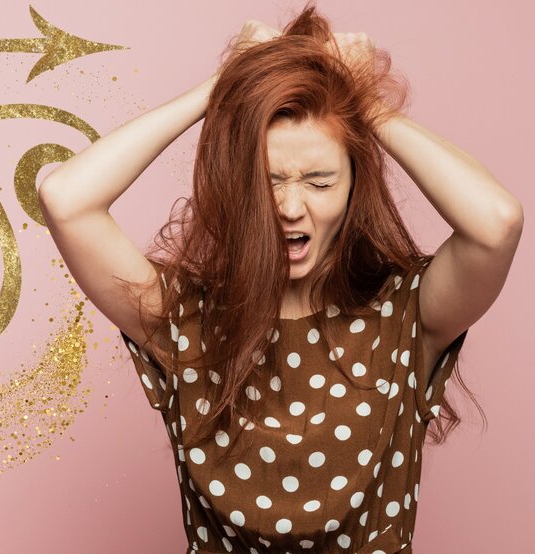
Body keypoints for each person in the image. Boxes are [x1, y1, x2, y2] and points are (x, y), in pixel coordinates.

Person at [38, 3, 523, 553]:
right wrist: (221, 88)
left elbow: (497, 222)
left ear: (354, 186)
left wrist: (368, 105)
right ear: (239, 185)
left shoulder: (407, 315)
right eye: (270, 181)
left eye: (319, 181)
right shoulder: (184, 320)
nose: (291, 207)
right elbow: (66, 199)